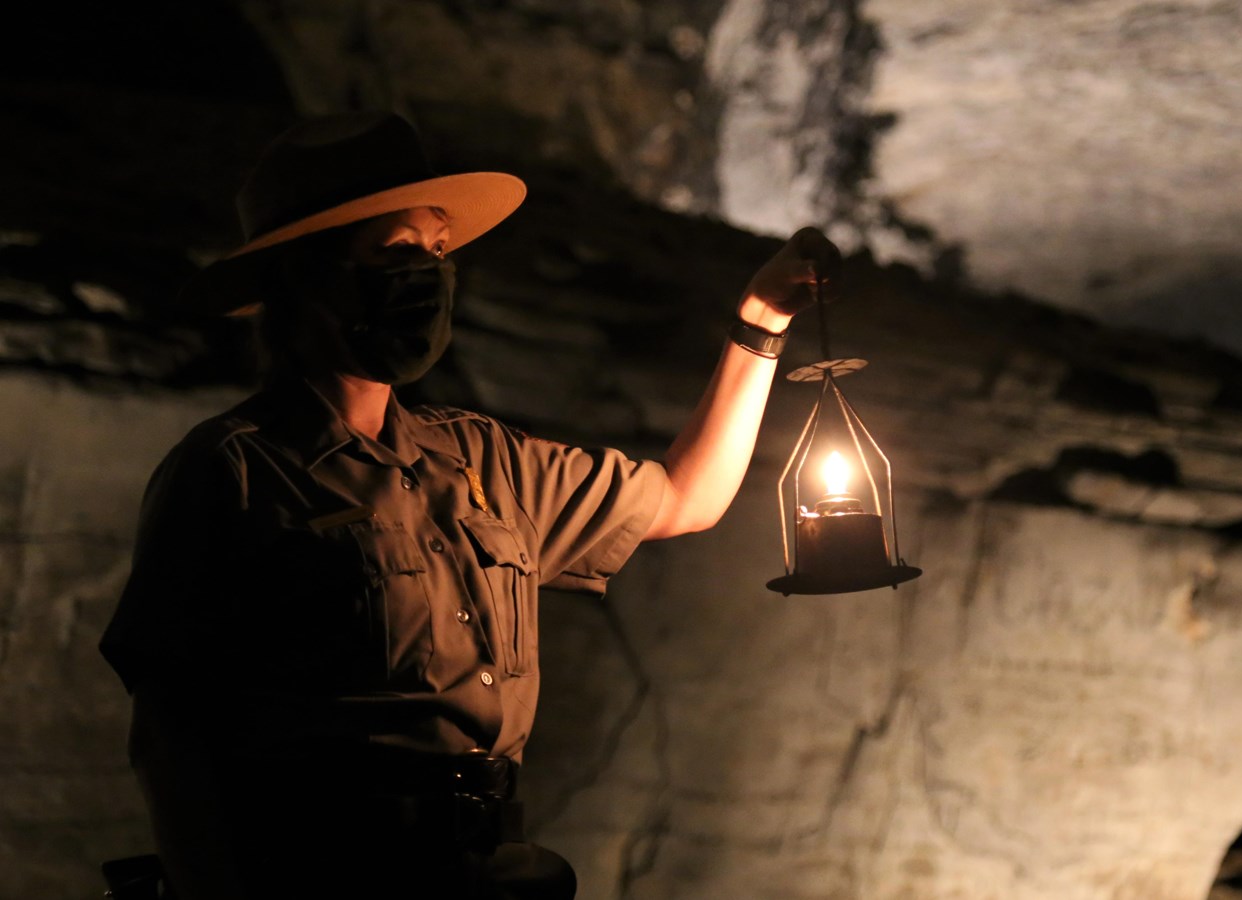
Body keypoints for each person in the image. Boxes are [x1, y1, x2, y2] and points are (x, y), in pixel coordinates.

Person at [98, 111, 840, 899]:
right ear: (307, 277)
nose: (428, 273)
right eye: (397, 251)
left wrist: (761, 321)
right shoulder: (234, 474)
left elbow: (686, 497)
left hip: (492, 877)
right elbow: (171, 737)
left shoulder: (482, 462)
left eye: (438, 249)